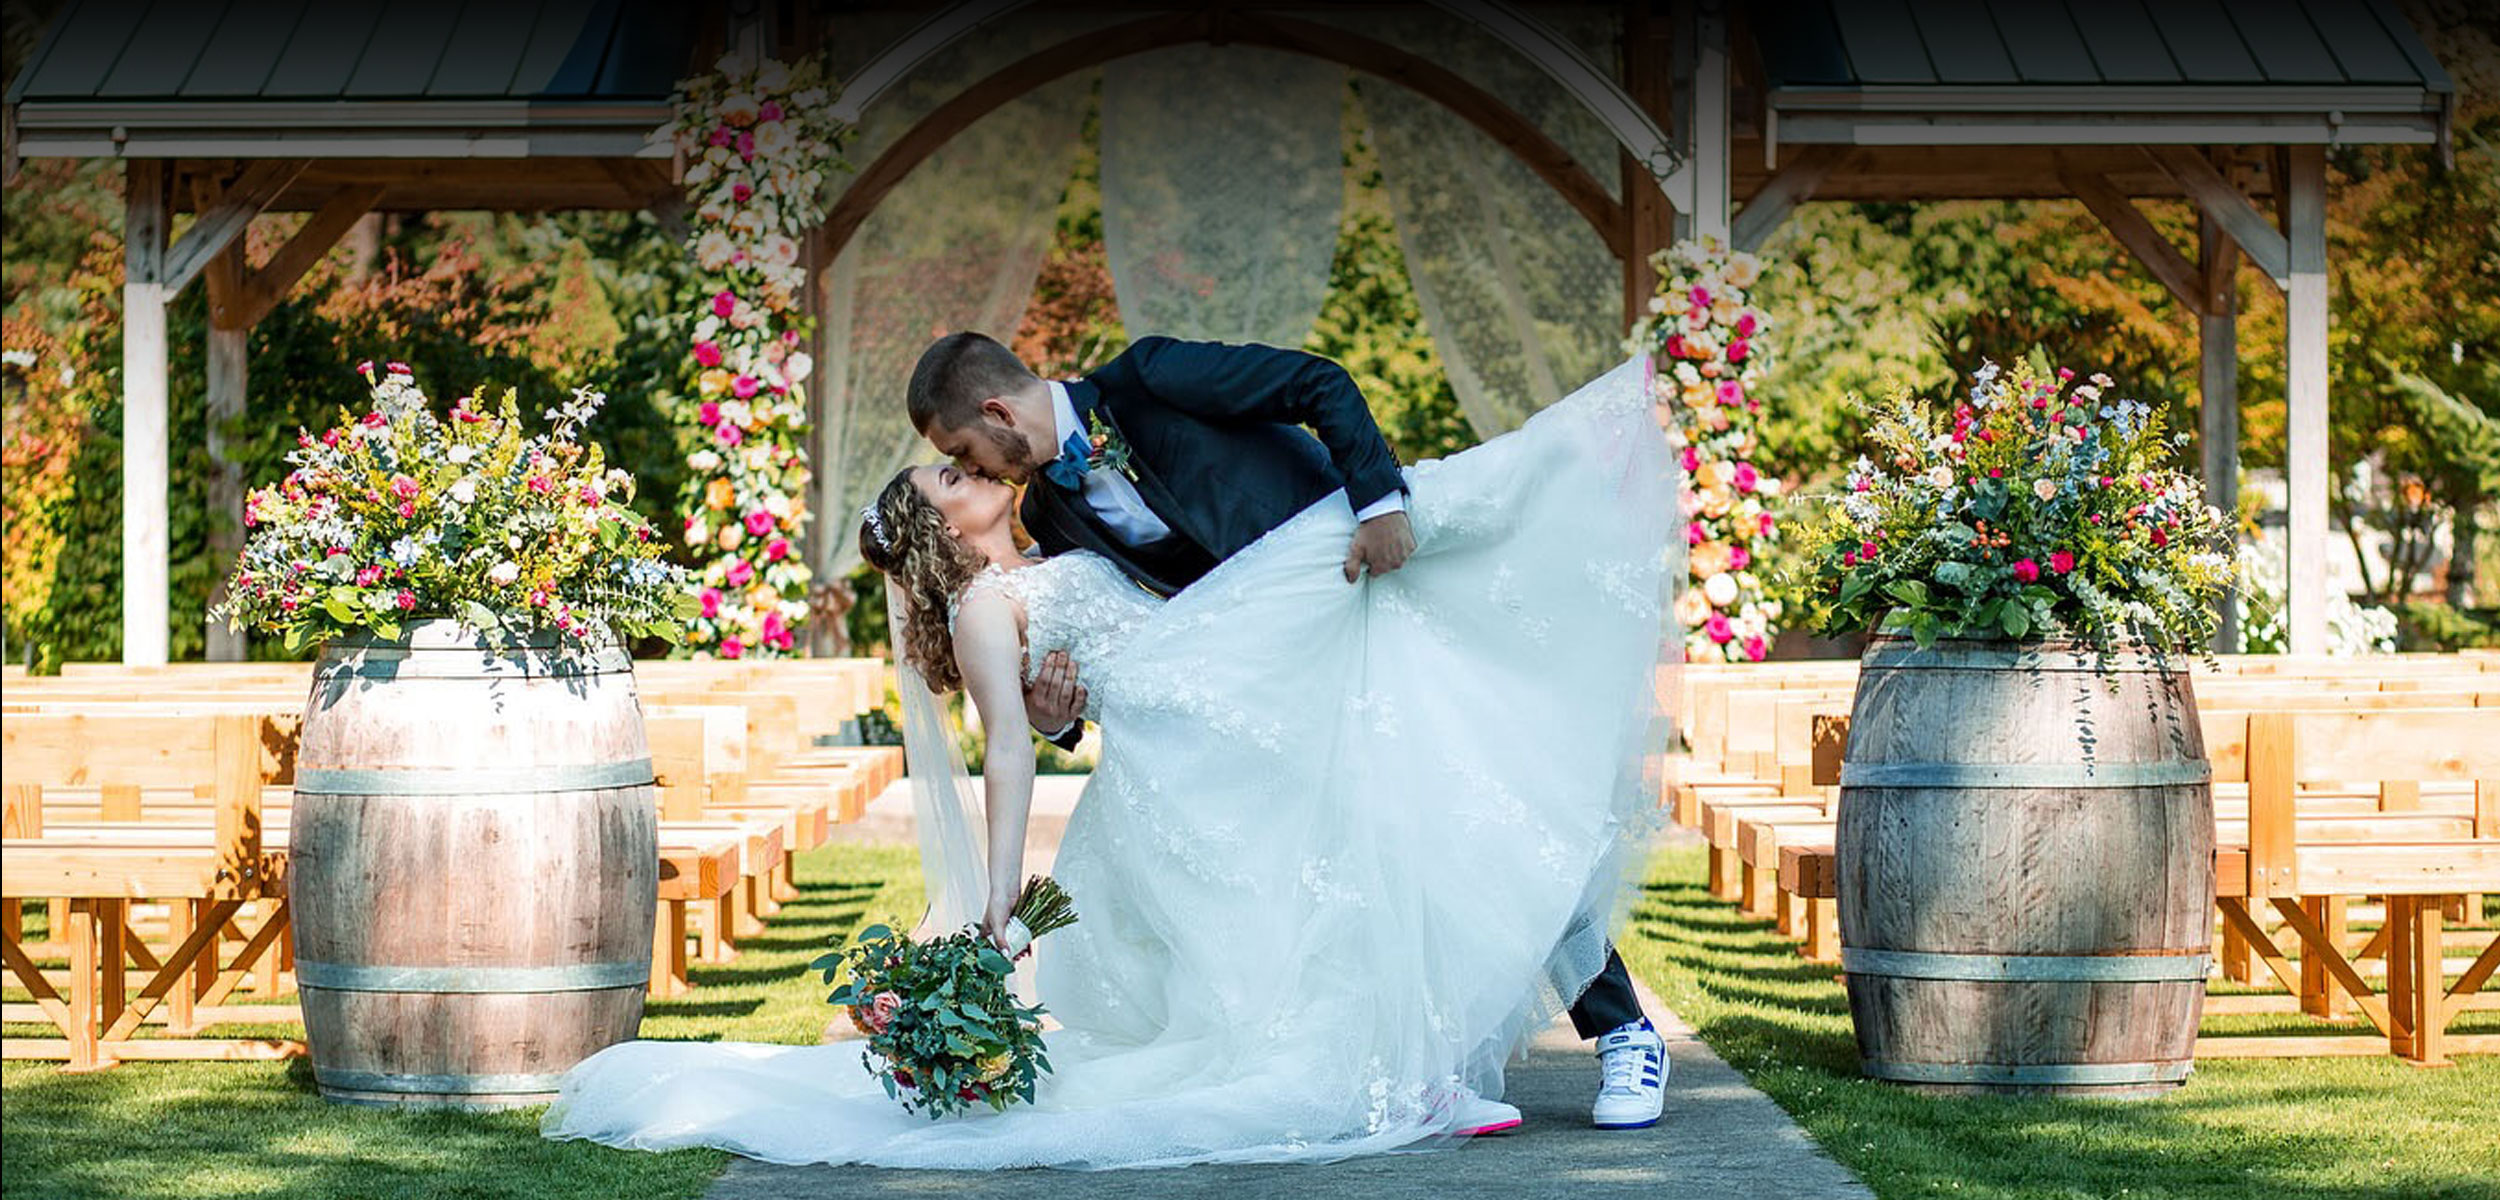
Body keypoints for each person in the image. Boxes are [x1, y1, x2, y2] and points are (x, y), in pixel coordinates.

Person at [542, 348, 1679, 1168]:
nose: (963, 466)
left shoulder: (1147, 383)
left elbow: (1318, 384)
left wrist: (1378, 500)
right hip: (1258, 697)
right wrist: (1051, 713)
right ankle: (1418, 1061)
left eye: (954, 451)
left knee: (1482, 799)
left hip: (1356, 590)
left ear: (991, 410)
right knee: (1383, 850)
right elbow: (1106, 655)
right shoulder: (1055, 526)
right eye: (948, 470)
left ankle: (1622, 1033)